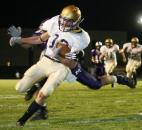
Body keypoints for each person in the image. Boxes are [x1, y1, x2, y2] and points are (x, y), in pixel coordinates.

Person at [9, 5, 136, 126]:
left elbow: (70, 61)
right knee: (29, 87)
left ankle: (118, 78)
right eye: (63, 19)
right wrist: (19, 39)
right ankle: (40, 108)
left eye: (68, 21)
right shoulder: (54, 23)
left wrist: (58, 55)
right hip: (46, 61)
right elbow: (38, 39)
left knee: (95, 85)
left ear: (76, 22)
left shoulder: (81, 37)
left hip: (68, 64)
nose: (64, 23)